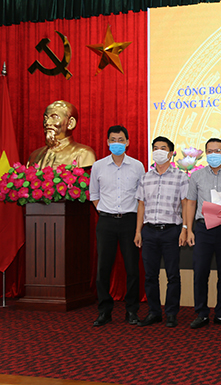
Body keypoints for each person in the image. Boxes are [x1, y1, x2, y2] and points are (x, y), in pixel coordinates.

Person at [89, 125, 145, 327]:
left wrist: (138, 228)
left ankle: (132, 311)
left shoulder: (137, 166)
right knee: (103, 268)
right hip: (106, 221)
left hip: (130, 221)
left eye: (121, 140)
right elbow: (94, 195)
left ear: (128, 142)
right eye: (113, 140)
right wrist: (105, 211)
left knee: (132, 268)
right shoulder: (98, 166)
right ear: (107, 142)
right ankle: (104, 311)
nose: (117, 143)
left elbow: (142, 198)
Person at [134, 136, 189, 328]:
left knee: (173, 275)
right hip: (149, 231)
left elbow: (185, 204)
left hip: (171, 231)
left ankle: (171, 313)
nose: (158, 151)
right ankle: (154, 312)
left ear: (171, 153)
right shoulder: (145, 177)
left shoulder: (181, 177)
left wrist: (185, 229)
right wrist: (138, 231)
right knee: (150, 275)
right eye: (155, 148)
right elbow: (141, 205)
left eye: (163, 148)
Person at [186, 138, 221, 329]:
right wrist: (189, 229)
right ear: (205, 153)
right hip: (203, 228)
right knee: (200, 272)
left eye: (217, 151)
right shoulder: (196, 176)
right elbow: (191, 203)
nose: (213, 155)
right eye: (210, 151)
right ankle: (201, 313)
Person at [27, 100, 96, 169]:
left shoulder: (83, 154)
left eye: (54, 117)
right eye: (45, 118)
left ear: (70, 123)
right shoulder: (34, 155)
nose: (47, 122)